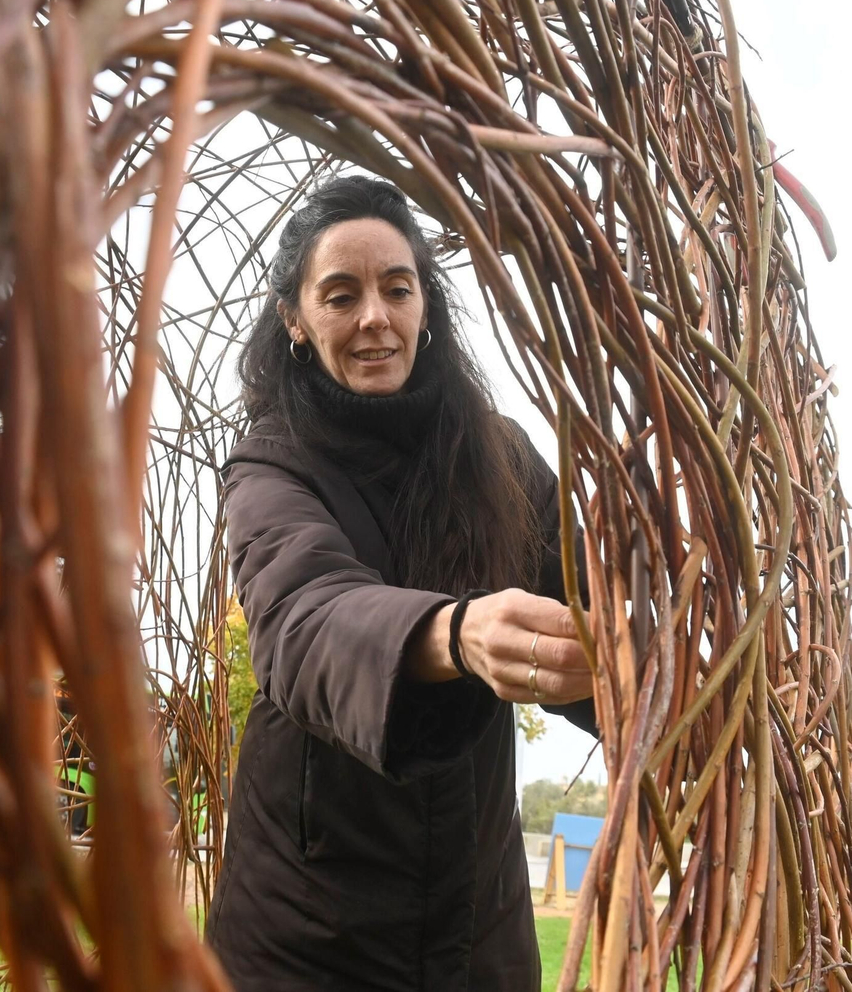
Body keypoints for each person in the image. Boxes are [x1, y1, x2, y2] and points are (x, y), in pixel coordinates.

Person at [206, 176, 597, 991]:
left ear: (426, 305)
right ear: (295, 320)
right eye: (340, 296)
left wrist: (620, 661)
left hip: (478, 926)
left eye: (397, 288)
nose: (375, 318)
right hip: (304, 933)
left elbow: (595, 616)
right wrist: (454, 634)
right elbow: (302, 618)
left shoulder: (503, 460)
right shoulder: (270, 465)